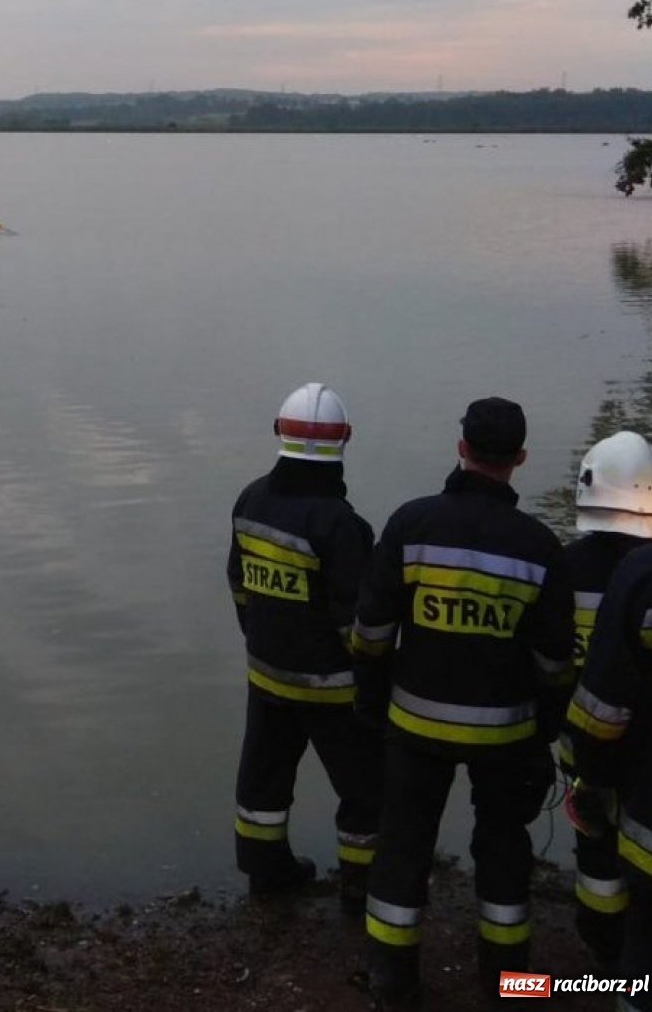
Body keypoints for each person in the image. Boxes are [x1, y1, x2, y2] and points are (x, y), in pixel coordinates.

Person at [351, 397, 575, 1005]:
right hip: (506, 735)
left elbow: (371, 634)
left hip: (415, 724)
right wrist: (543, 731)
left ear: (461, 450)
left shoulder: (411, 524)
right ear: (520, 459)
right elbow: (556, 663)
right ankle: (510, 989)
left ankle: (392, 983)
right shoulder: (540, 548)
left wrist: (373, 706)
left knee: (401, 849)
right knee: (504, 852)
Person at [227, 382, 382, 909]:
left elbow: (239, 586)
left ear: (278, 433)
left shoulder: (249, 499)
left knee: (262, 784)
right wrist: (376, 679)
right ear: (346, 439)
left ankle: (265, 876)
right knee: (366, 792)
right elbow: (355, 624)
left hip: (267, 675)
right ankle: (361, 890)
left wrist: (262, 639)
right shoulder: (341, 525)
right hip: (334, 691)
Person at [559, 431, 652, 970]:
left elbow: (553, 666)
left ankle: (605, 960)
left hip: (591, 748)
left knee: (598, 857)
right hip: (648, 757)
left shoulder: (566, 568)